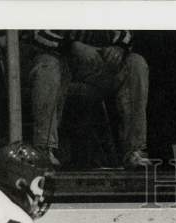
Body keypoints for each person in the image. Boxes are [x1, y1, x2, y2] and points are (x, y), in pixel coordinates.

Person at [29, 30, 152, 169]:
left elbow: (126, 32)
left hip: (97, 63)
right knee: (47, 64)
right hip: (61, 60)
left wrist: (119, 47)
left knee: (136, 63)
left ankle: (134, 151)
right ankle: (44, 149)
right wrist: (72, 46)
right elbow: (38, 34)